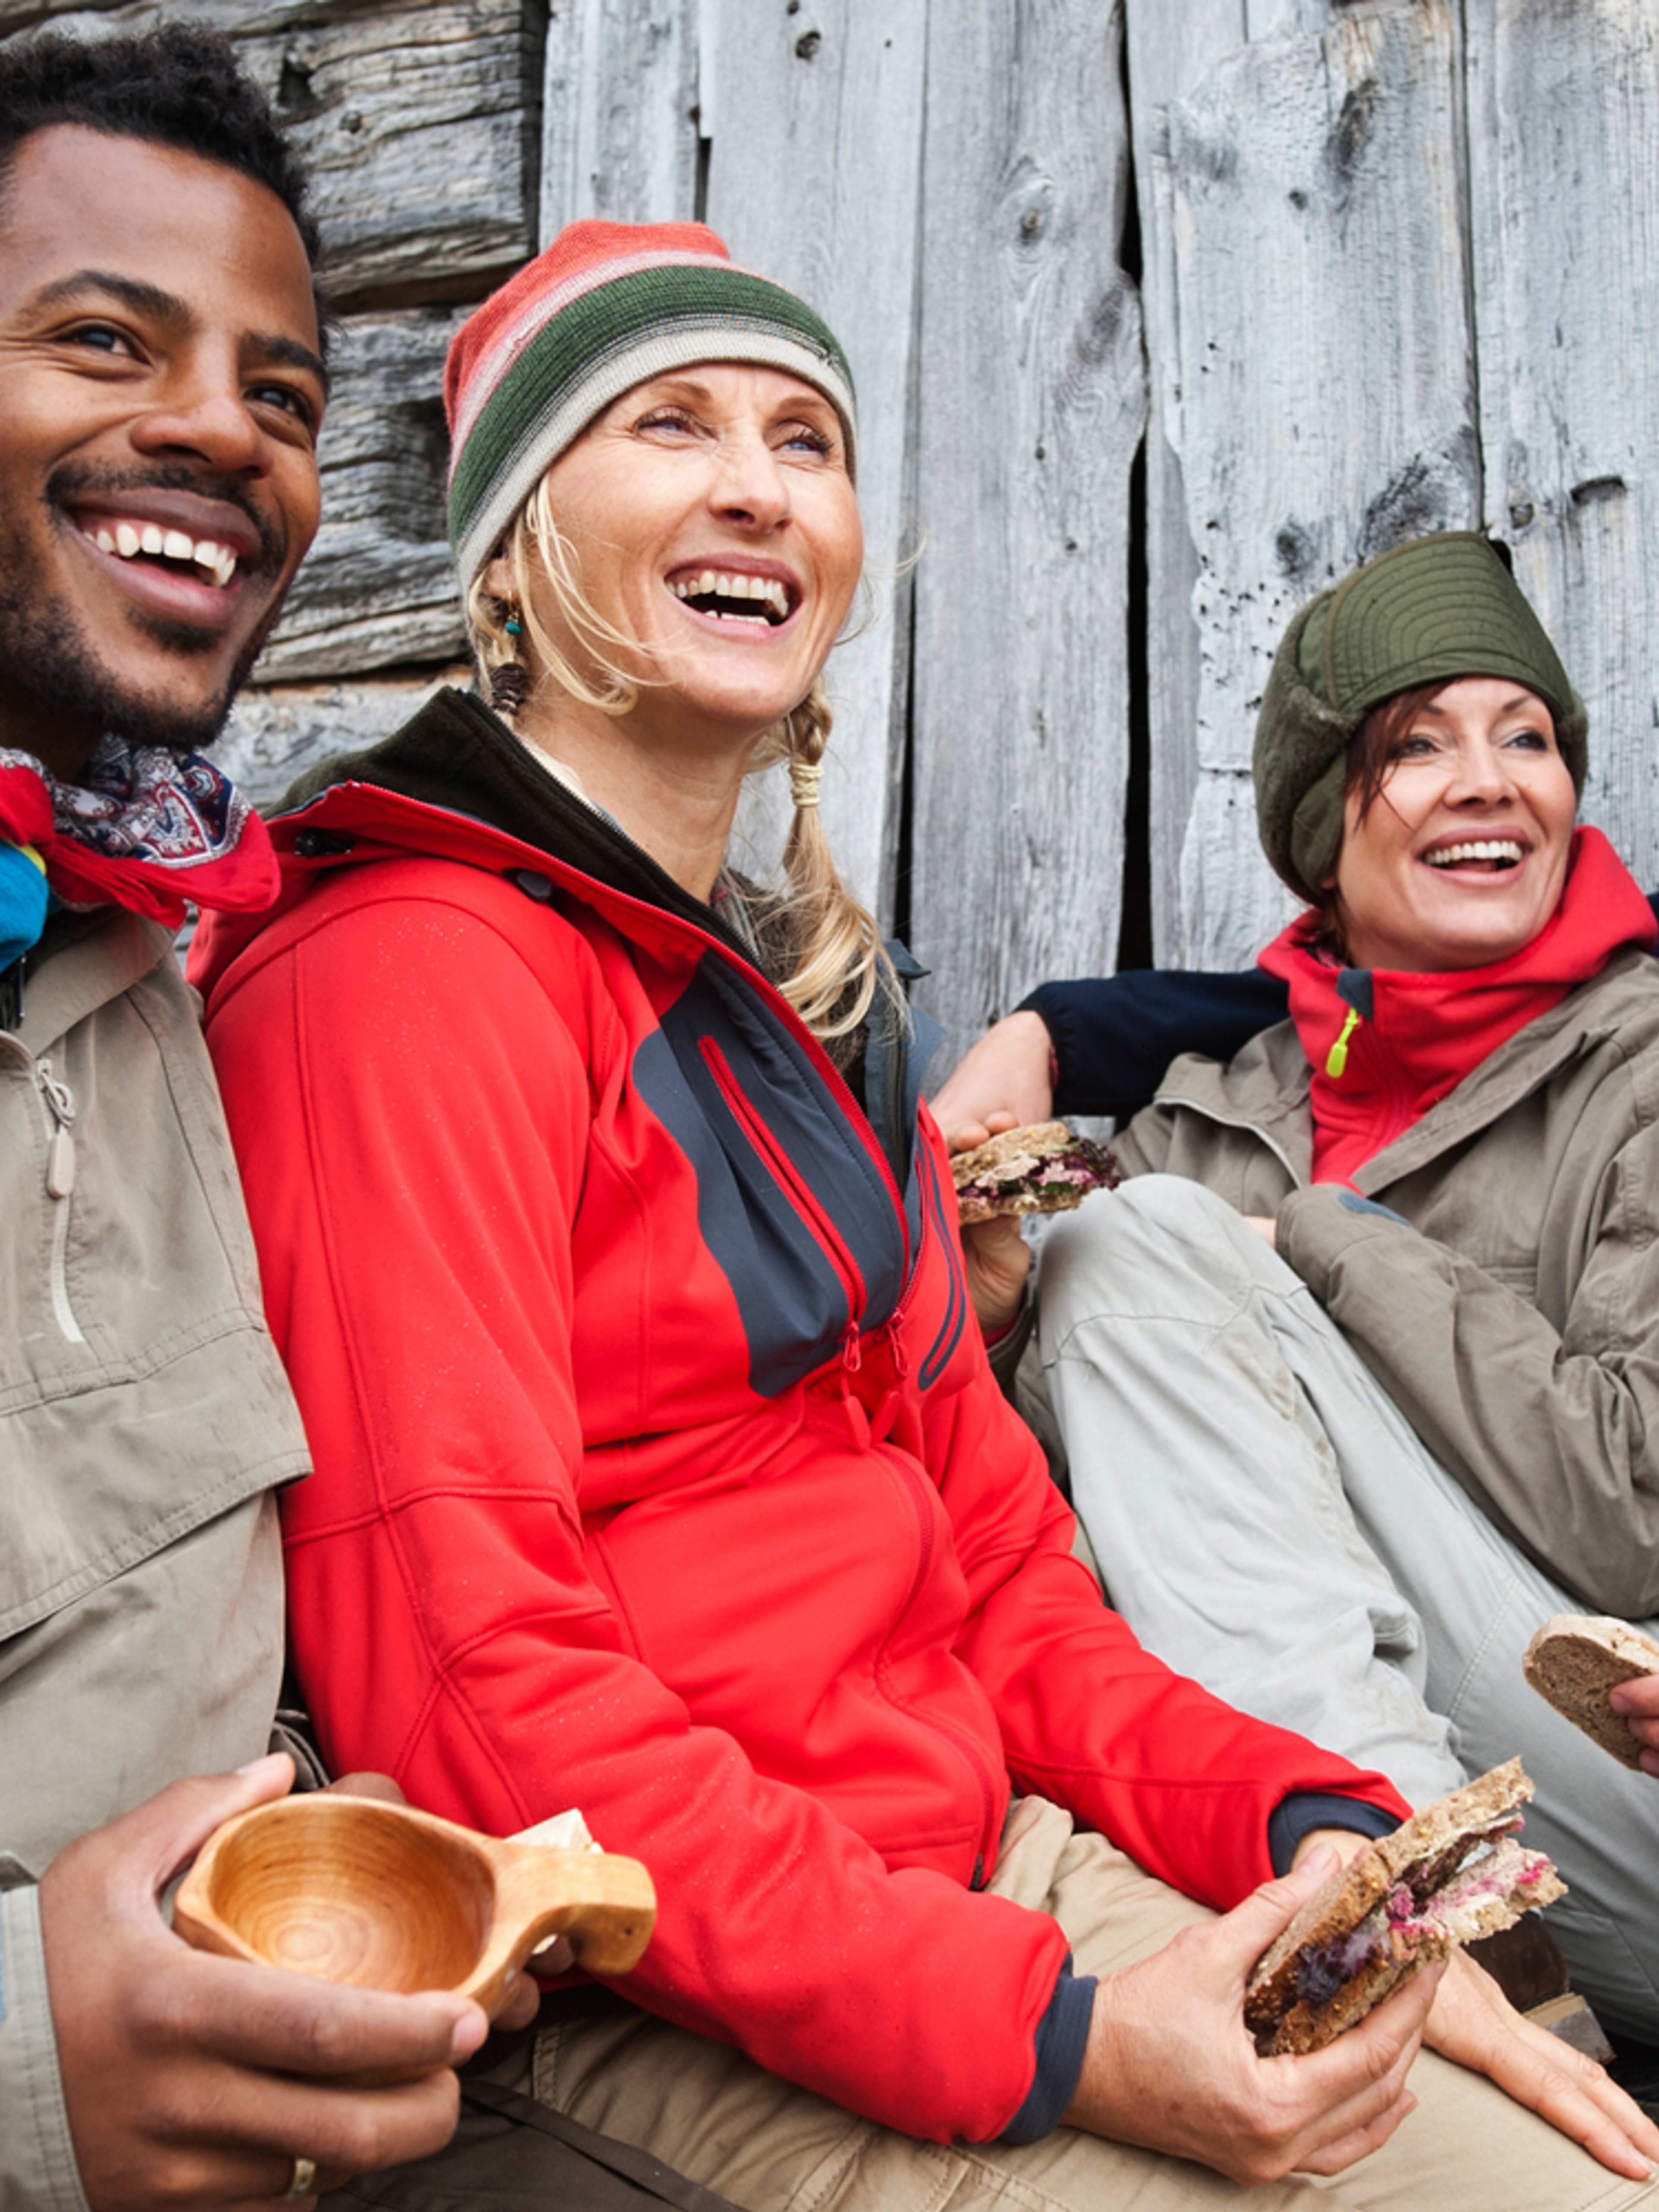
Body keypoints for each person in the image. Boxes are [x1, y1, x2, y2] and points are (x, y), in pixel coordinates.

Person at [193, 235, 1659, 2208]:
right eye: (672, 424)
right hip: (676, 1968)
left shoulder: (814, 1015)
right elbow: (481, 1697)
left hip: (993, 1868)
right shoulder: (402, 973)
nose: (760, 483)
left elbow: (1003, 1566)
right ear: (517, 547)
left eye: (808, 435)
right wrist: (1057, 2030)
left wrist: (1309, 1825)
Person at [0, 29, 533, 2208]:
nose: (222, 427)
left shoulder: (170, 956)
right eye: (101, 340)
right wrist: (30, 2060)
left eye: (287, 396)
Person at [938, 531, 1659, 2043]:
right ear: (1324, 823)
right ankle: (1414, 1919)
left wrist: (1318, 1245)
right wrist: (997, 1315)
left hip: (1613, 1763)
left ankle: (1397, 1918)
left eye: (1525, 737)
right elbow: (1066, 1526)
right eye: (1417, 746)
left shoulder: (1641, 1072)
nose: (1489, 781)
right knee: (1106, 1248)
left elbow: (1633, 1510)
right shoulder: (1202, 1109)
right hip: (1326, 1787)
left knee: (1135, 1242)